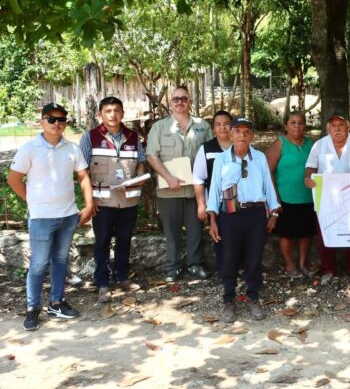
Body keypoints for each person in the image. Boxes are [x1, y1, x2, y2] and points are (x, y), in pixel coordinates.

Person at [8, 103, 94, 331]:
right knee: (38, 264)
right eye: (52, 119)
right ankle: (32, 308)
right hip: (41, 217)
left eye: (62, 120)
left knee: (60, 260)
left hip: (68, 215)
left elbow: (83, 177)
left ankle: (56, 302)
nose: (57, 124)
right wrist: (31, 200)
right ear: (42, 121)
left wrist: (88, 204)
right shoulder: (29, 149)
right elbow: (13, 179)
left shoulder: (72, 149)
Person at [207, 117, 281, 323]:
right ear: (230, 135)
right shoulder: (222, 159)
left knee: (254, 257)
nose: (241, 135)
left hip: (256, 214)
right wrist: (212, 219)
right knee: (229, 257)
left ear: (252, 136)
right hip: (230, 215)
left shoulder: (259, 158)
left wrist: (274, 212)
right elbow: (214, 190)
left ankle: (253, 296)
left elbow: (268, 184)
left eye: (246, 131)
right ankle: (229, 299)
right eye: (237, 131)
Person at [78, 96, 147, 303]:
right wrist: (89, 202)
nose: (113, 114)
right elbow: (82, 171)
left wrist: (139, 178)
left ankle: (122, 278)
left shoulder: (133, 137)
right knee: (102, 242)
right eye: (108, 111)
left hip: (128, 201)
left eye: (117, 110)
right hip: (102, 203)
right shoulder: (90, 137)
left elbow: (141, 162)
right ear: (100, 114)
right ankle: (102, 283)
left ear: (123, 113)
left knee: (125, 240)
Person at [146, 86, 212, 282]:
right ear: (170, 102)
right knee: (172, 232)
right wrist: (168, 177)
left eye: (184, 98)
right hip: (169, 190)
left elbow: (210, 153)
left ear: (190, 101)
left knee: (195, 230)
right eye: (175, 99)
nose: (179, 102)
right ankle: (172, 268)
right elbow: (151, 155)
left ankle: (195, 265)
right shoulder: (159, 127)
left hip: (195, 190)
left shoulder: (203, 126)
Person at [305, 113, 350, 284]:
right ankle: (328, 269)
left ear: (348, 127)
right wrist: (308, 179)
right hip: (327, 200)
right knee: (324, 235)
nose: (337, 129)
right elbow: (310, 168)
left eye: (341, 125)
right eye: (333, 125)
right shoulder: (319, 146)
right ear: (328, 128)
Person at [266, 111, 315, 278]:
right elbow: (268, 172)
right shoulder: (279, 144)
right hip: (285, 198)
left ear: (305, 126)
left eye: (300, 123)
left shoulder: (311, 143)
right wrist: (275, 198)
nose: (297, 126)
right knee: (286, 233)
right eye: (292, 122)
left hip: (308, 197)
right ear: (286, 126)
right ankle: (290, 265)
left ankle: (303, 263)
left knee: (306, 232)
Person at [192, 110, 233, 278]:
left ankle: (240, 269)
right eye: (218, 124)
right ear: (213, 128)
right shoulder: (206, 149)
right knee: (220, 238)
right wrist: (202, 204)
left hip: (241, 202)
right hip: (216, 203)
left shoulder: (242, 146)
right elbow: (198, 179)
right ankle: (225, 272)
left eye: (226, 123)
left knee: (240, 237)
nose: (223, 127)